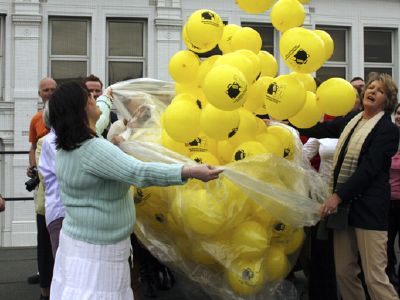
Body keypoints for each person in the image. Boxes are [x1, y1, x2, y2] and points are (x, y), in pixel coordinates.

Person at [48, 81, 222, 299]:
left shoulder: (69, 146)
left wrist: (107, 97)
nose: (95, 98)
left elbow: (99, 124)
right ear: (83, 109)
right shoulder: (95, 150)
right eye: (90, 98)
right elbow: (139, 172)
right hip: (99, 253)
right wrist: (188, 171)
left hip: (78, 244)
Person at [298, 73, 400, 300]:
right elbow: (323, 129)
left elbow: (368, 170)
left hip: (369, 210)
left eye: (380, 91)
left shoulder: (388, 130)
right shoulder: (353, 119)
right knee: (344, 272)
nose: (372, 91)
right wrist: (287, 123)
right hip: (345, 211)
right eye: (371, 87)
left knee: (375, 278)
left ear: (388, 100)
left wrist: (337, 197)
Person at [26, 77, 56, 298]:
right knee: (44, 239)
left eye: (53, 89)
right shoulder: (36, 119)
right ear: (40, 94)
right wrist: (33, 168)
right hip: (46, 188)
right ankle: (46, 282)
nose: (49, 92)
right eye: (45, 90)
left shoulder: (67, 118)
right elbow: (33, 145)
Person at [387, 103, 400, 294]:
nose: (399, 117)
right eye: (398, 113)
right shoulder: (388, 137)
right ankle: (390, 275)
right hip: (387, 201)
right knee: (387, 243)